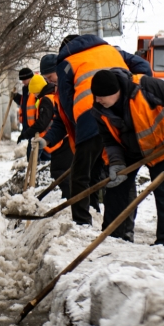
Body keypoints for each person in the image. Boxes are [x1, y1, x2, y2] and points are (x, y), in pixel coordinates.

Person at [41, 35, 152, 226]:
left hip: (90, 118)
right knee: (118, 172)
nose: (51, 82)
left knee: (80, 175)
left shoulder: (66, 63)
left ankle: (82, 222)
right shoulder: (111, 50)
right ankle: (122, 226)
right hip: (123, 117)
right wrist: (133, 94)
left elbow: (67, 109)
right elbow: (144, 67)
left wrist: (80, 133)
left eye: (50, 78)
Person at [89, 68, 164, 248]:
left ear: (115, 91)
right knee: (116, 190)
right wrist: (116, 163)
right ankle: (114, 237)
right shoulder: (99, 110)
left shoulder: (145, 86)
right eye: (96, 96)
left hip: (161, 146)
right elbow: (110, 141)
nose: (97, 100)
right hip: (128, 150)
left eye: (101, 96)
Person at [38, 54, 71, 198]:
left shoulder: (70, 87)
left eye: (50, 76)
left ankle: (74, 201)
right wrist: (47, 139)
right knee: (61, 171)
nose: (49, 81)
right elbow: (60, 121)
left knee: (63, 171)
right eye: (46, 78)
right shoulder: (59, 91)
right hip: (66, 138)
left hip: (74, 139)